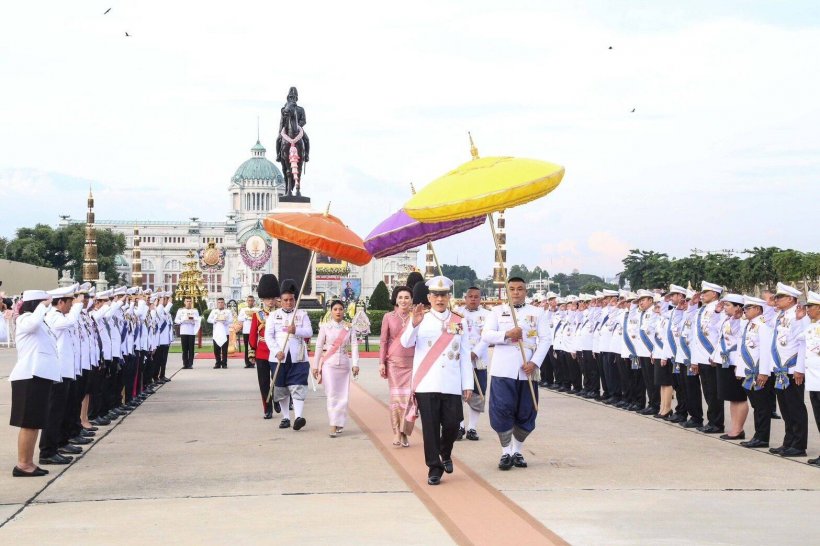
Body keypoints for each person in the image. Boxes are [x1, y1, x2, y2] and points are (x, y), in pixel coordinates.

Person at [400, 276, 473, 486]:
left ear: (449, 296)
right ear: (429, 297)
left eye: (443, 295)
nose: (440, 299)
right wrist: (413, 324)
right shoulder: (420, 318)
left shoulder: (460, 320)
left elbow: (465, 354)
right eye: (436, 295)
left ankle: (445, 452)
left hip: (451, 382)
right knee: (430, 428)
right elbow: (406, 343)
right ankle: (434, 467)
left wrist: (467, 384)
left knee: (452, 424)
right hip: (427, 382)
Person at [482, 277, 549, 470]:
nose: (516, 292)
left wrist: (535, 363)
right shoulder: (496, 312)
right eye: (512, 289)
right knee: (502, 409)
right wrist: (506, 335)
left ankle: (517, 450)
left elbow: (545, 340)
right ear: (507, 291)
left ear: (526, 291)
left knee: (526, 411)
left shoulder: (538, 313)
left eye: (520, 289)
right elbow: (486, 335)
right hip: (503, 369)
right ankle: (505, 453)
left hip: (527, 370)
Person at [9, 290, 58, 477]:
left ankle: (29, 462)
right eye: (43, 303)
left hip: (39, 376)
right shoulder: (25, 319)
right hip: (28, 376)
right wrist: (41, 306)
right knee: (29, 422)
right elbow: (33, 323)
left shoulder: (39, 321)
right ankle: (22, 464)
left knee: (36, 421)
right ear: (35, 304)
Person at [265, 279, 313, 430]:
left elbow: (309, 332)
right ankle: (286, 417)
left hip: (298, 355)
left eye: (291, 299)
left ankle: (298, 416)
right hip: (279, 356)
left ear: (295, 299)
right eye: (285, 300)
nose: (288, 303)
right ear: (280, 300)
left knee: (298, 385)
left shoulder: (302, 314)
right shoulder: (273, 316)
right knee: (281, 387)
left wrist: (296, 330)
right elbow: (268, 336)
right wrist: (276, 351)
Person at [769, 282, 810, 457]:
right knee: (785, 407)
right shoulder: (782, 315)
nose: (775, 300)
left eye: (779, 297)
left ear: (790, 299)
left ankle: (799, 445)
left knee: (795, 407)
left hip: (793, 369)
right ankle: (789, 441)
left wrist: (799, 369)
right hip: (780, 368)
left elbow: (803, 344)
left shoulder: (800, 316)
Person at [313, 300, 359, 437]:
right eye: (335, 309)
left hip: (344, 364)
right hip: (329, 364)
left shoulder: (349, 327)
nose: (338, 311)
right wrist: (315, 366)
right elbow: (319, 347)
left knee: (343, 395)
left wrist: (356, 363)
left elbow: (355, 346)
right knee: (332, 394)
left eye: (340, 309)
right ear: (331, 311)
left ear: (344, 311)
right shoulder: (325, 327)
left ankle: (339, 422)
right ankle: (333, 423)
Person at [379, 285, 416, 447]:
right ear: (396, 299)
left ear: (412, 300)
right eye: (400, 297)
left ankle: (405, 433)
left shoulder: (417, 317)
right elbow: (383, 341)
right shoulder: (388, 317)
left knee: (409, 400)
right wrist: (382, 362)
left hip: (412, 363)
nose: (403, 300)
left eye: (407, 297)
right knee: (396, 399)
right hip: (393, 363)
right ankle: (396, 432)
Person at [738, 295, 775, 449]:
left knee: (762, 407)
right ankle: (758, 435)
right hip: (750, 372)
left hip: (759, 373)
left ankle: (762, 437)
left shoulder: (763, 326)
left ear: (758, 309)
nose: (744, 311)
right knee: (757, 406)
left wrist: (764, 372)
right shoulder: (749, 324)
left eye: (747, 308)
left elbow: (766, 351)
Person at [689, 281, 725, 434]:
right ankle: (711, 421)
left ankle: (716, 423)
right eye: (702, 292)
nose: (702, 295)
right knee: (708, 392)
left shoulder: (720, 309)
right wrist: (694, 360)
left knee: (714, 393)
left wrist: (716, 356)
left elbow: (720, 334)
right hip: (701, 357)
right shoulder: (701, 310)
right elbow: (694, 337)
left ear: (715, 294)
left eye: (706, 293)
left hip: (711, 358)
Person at [456, 286, 490, 440]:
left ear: (480, 299)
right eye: (470, 296)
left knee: (477, 395)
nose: (473, 299)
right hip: (460, 361)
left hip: (478, 360)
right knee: (459, 395)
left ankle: (472, 428)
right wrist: (463, 353)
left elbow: (487, 338)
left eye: (476, 296)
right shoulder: (457, 313)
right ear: (465, 297)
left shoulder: (488, 315)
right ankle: (460, 426)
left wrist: (475, 352)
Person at [713, 294, 749, 440]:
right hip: (724, 360)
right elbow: (713, 328)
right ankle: (735, 428)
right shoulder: (725, 319)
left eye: (728, 305)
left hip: (735, 361)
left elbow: (738, 334)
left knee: (738, 396)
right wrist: (717, 312)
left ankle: (738, 429)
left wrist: (736, 318)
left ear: (738, 307)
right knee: (731, 397)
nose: (725, 308)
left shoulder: (742, 321)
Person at [250, 274, 280, 419]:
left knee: (277, 380)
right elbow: (252, 336)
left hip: (275, 352)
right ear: (263, 299)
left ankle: (276, 399)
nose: (270, 301)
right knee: (263, 383)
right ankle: (267, 408)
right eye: (268, 298)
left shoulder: (280, 315)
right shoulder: (258, 315)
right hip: (261, 352)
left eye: (273, 298)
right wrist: (252, 353)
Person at [801, 291, 820, 466]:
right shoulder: (812, 326)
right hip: (814, 381)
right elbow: (795, 337)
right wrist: (801, 319)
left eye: (811, 307)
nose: (807, 310)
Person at [208, 298, 234, 369]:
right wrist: (215, 320)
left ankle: (224, 363)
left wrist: (225, 321)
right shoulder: (214, 311)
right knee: (216, 349)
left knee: (224, 349)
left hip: (225, 332)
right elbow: (209, 319)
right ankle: (217, 363)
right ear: (217, 303)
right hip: (216, 333)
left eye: (222, 302)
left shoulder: (228, 311)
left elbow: (231, 320)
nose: (220, 304)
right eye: (219, 302)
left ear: (224, 303)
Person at [174, 297, 200, 369]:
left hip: (191, 331)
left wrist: (194, 319)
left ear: (191, 302)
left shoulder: (195, 311)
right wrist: (182, 320)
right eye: (187, 301)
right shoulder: (180, 310)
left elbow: (198, 320)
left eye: (190, 301)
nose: (188, 302)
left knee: (191, 349)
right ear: (184, 302)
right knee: (184, 349)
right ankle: (185, 364)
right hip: (184, 331)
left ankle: (190, 364)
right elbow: (176, 320)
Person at [240, 295, 257, 368]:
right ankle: (247, 363)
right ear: (247, 301)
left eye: (251, 300)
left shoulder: (257, 309)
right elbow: (239, 318)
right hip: (246, 331)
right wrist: (247, 317)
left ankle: (253, 363)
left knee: (253, 347)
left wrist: (253, 317)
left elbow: (262, 318)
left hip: (255, 331)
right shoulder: (243, 310)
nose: (250, 302)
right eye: (249, 300)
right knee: (247, 347)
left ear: (254, 301)